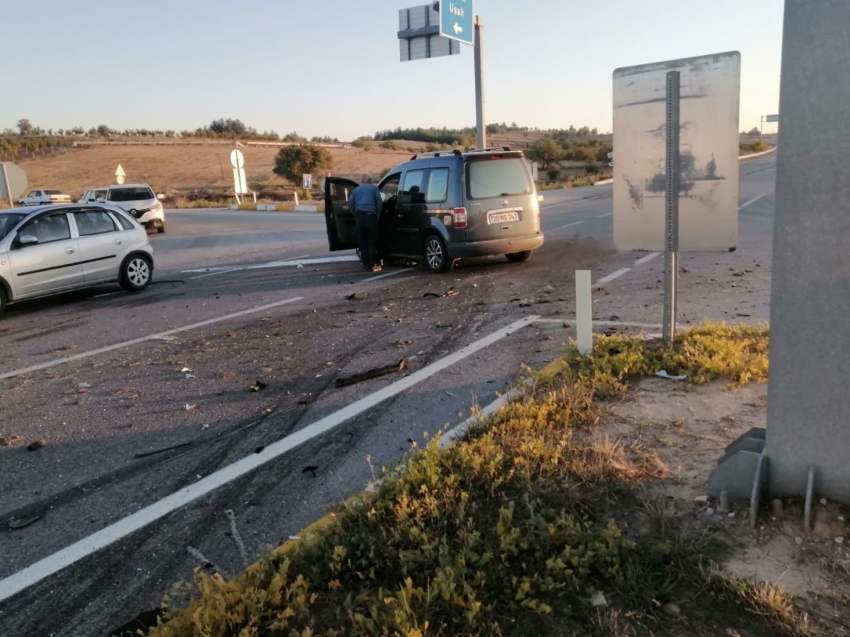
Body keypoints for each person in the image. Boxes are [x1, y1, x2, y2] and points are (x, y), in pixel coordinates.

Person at [348, 173, 383, 272]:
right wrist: (377, 213)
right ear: (369, 180)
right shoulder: (374, 189)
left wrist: (355, 212)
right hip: (370, 216)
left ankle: (365, 264)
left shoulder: (355, 190)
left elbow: (350, 203)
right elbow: (379, 202)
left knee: (362, 242)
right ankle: (372, 264)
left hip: (359, 217)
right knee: (371, 241)